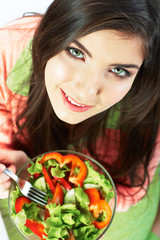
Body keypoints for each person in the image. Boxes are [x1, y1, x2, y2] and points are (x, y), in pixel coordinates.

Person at [0, 0, 160, 239]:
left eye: (119, 71)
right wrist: (15, 164)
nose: (86, 92)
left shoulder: (149, 97)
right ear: (51, 34)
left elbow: (133, 190)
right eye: (76, 52)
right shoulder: (10, 50)